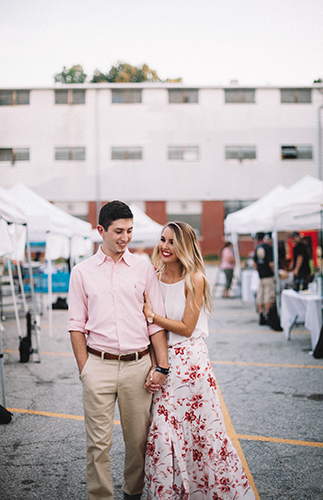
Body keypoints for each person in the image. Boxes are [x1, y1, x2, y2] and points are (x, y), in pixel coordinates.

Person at [143, 222, 255, 500]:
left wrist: (153, 316)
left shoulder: (195, 279)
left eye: (172, 242)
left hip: (191, 363)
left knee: (202, 432)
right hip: (163, 359)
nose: (165, 247)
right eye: (163, 240)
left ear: (184, 246)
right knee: (164, 429)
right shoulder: (154, 276)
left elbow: (187, 327)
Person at [67, 200, 168, 500]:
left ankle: (132, 494)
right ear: (101, 230)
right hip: (97, 365)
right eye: (118, 231)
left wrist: (160, 367)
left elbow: (155, 323)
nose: (125, 238)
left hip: (138, 367)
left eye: (130, 231)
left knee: (138, 442)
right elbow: (76, 325)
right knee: (98, 444)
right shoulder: (81, 272)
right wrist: (85, 369)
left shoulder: (143, 268)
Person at [253, 232, 275, 325]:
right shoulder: (269, 248)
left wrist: (259, 271)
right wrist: (275, 272)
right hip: (268, 275)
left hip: (261, 275)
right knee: (268, 296)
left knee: (260, 296)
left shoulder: (259, 247)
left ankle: (261, 314)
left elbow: (254, 263)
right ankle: (268, 316)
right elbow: (271, 263)